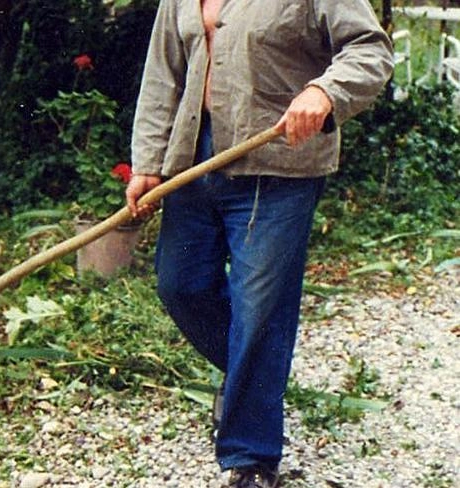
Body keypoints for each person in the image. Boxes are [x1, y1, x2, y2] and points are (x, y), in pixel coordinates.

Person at [125, 1, 393, 487]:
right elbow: (163, 71)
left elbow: (370, 49)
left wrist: (325, 91)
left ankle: (249, 457)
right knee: (179, 285)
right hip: (193, 159)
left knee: (260, 310)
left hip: (277, 166)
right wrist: (147, 162)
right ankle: (254, 379)